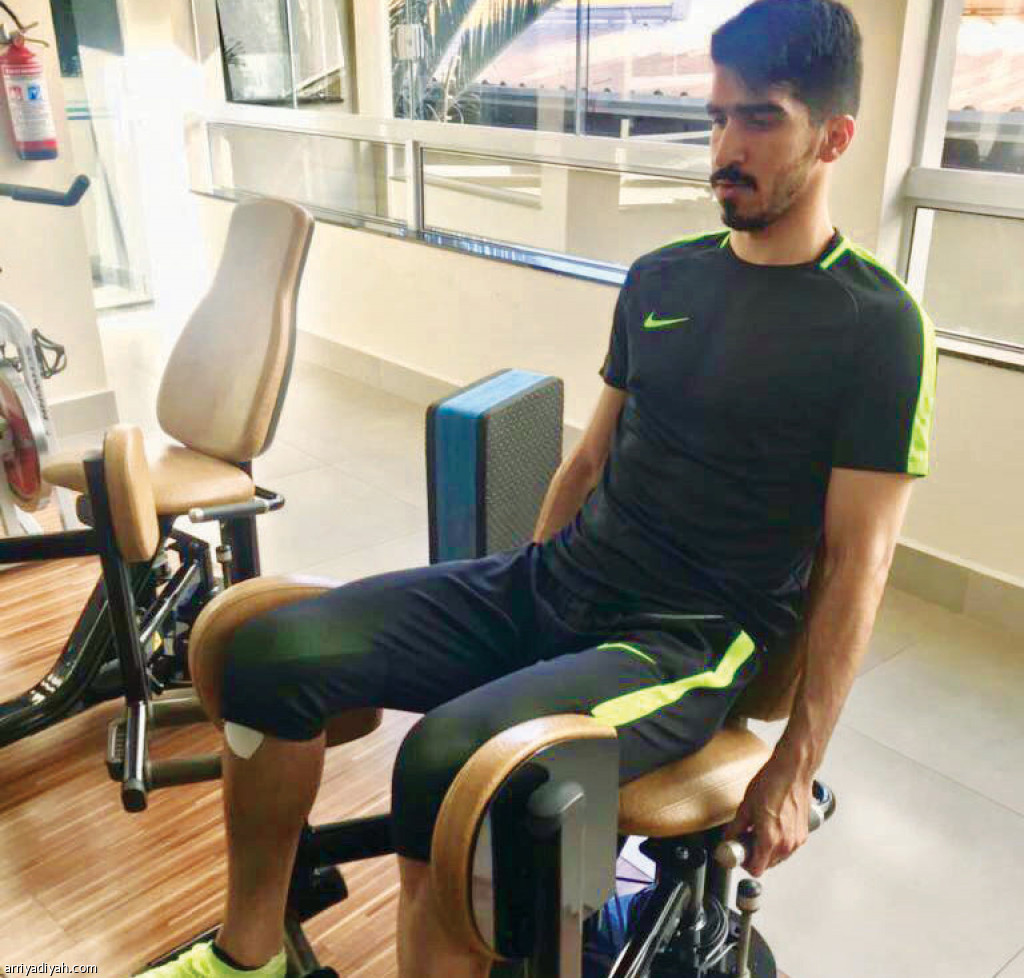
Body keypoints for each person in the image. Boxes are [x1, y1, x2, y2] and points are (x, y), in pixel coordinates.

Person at [142, 2, 936, 977]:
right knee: (268, 654)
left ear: (835, 137)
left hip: (683, 641)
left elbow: (860, 560)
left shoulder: (876, 324)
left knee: (447, 767)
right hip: (556, 582)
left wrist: (795, 763)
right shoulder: (661, 278)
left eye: (761, 119)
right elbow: (589, 461)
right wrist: (520, 591)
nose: (726, 148)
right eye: (717, 116)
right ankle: (247, 958)